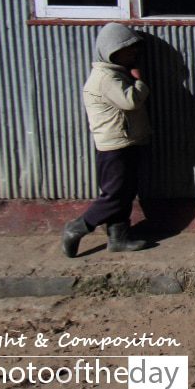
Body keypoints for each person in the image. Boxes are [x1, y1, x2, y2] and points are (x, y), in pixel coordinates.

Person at [61, 23, 151, 257]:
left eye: (134, 50)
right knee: (114, 195)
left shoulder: (114, 74)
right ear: (110, 51)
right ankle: (77, 227)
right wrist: (140, 82)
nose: (132, 55)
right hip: (115, 146)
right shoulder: (105, 78)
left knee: (124, 193)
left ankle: (118, 239)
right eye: (127, 51)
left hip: (124, 142)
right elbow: (130, 101)